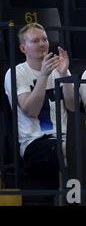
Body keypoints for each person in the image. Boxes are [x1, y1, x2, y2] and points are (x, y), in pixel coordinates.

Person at [4, 23, 74, 189]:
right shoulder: (16, 73)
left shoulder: (59, 69)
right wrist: (43, 76)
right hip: (35, 141)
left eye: (44, 39)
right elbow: (31, 111)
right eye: (35, 41)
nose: (42, 44)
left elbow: (72, 107)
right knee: (71, 150)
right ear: (23, 48)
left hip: (64, 136)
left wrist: (64, 74)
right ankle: (68, 199)